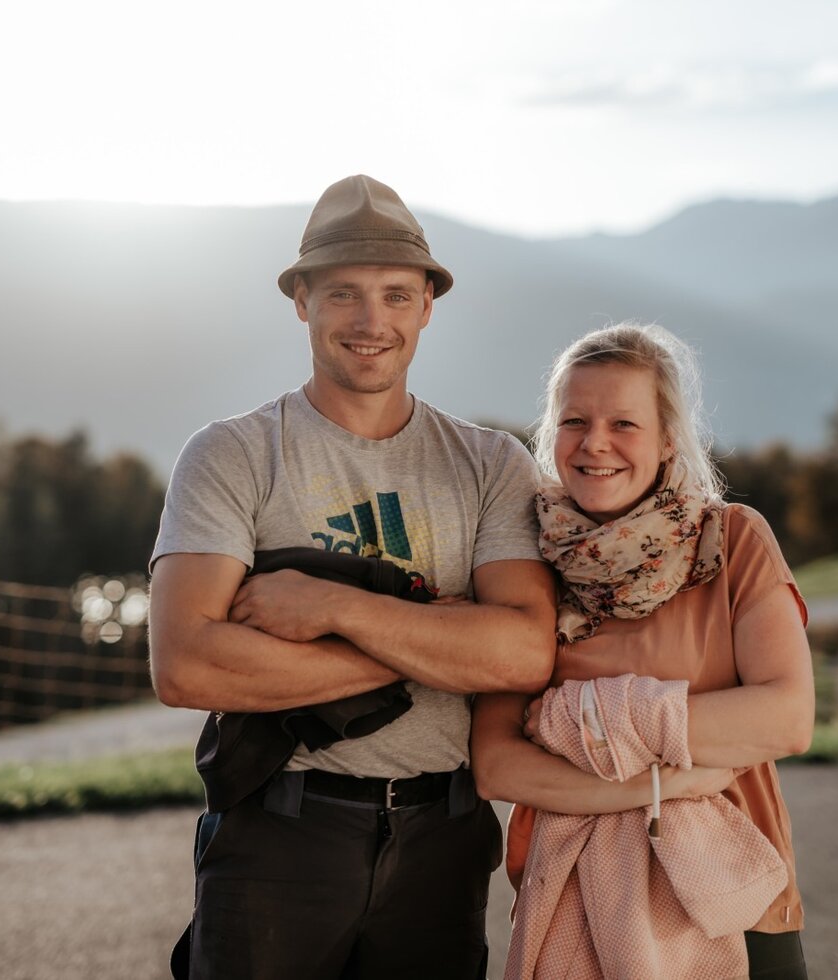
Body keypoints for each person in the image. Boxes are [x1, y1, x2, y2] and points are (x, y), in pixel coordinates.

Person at [147, 174, 558, 979]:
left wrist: (329, 606)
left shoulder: (491, 464)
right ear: (301, 300)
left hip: (445, 838)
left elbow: (522, 654)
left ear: (428, 307)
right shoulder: (233, 454)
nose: (373, 322)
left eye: (398, 296)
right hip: (278, 836)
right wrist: (437, 640)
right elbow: (187, 662)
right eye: (344, 294)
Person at [471, 322, 814, 979]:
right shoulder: (524, 566)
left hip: (733, 905)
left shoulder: (732, 540)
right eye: (574, 420)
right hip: (580, 917)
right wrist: (668, 781)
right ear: (551, 434)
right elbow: (497, 765)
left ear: (666, 441)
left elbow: (785, 719)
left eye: (623, 424)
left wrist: (586, 724)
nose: (595, 442)